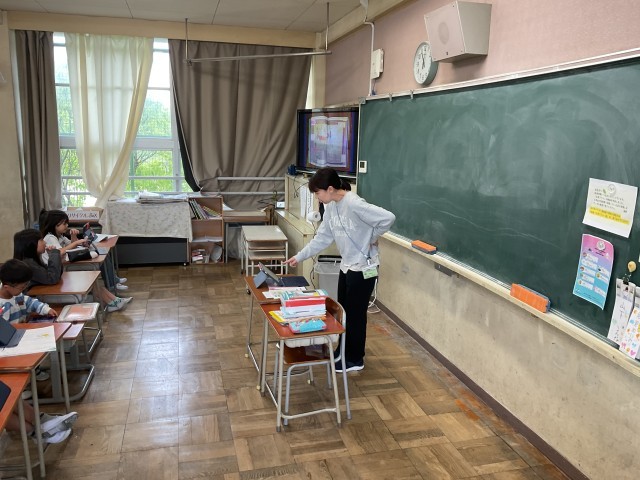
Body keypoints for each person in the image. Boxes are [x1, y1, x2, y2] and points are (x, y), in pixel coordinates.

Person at [283, 168, 396, 372]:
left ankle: (355, 359)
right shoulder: (331, 206)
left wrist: (371, 238)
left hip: (364, 268)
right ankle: (342, 351)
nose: (316, 197)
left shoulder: (354, 203)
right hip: (347, 266)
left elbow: (388, 218)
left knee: (356, 315)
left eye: (317, 192)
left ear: (330, 189)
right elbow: (322, 238)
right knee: (343, 313)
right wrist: (299, 256)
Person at [39, 211, 132, 312]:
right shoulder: (50, 238)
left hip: (61, 268)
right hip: (59, 271)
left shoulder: (60, 236)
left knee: (94, 280)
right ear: (55, 224)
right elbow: (59, 252)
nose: (67, 226)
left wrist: (74, 236)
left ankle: (115, 301)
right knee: (92, 281)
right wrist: (77, 243)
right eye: (64, 224)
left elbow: (71, 244)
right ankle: (114, 301)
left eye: (67, 223)